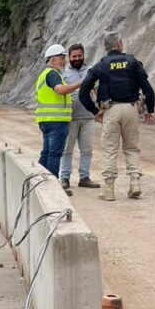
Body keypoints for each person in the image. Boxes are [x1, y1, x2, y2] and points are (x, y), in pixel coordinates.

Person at [79, 31, 155, 201]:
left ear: (106, 47)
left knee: (110, 150)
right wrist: (150, 110)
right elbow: (147, 89)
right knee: (131, 147)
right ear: (119, 45)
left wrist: (94, 111)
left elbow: (83, 92)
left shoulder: (100, 66)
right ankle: (135, 183)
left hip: (110, 110)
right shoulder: (133, 62)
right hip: (131, 108)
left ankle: (109, 189)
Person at [58, 43, 100, 195]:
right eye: (74, 56)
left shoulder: (91, 71)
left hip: (88, 117)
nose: (76, 58)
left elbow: (96, 90)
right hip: (70, 117)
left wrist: (99, 109)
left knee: (87, 149)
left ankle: (84, 177)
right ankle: (64, 178)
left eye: (79, 56)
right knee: (67, 150)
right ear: (69, 57)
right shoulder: (63, 74)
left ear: (83, 55)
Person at [35, 43, 83, 178]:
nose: (64, 61)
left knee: (47, 152)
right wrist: (80, 82)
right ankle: (52, 184)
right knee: (54, 154)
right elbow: (59, 89)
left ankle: (40, 180)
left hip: (46, 121)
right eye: (62, 57)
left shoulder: (44, 74)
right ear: (53, 59)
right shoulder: (53, 74)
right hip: (56, 121)